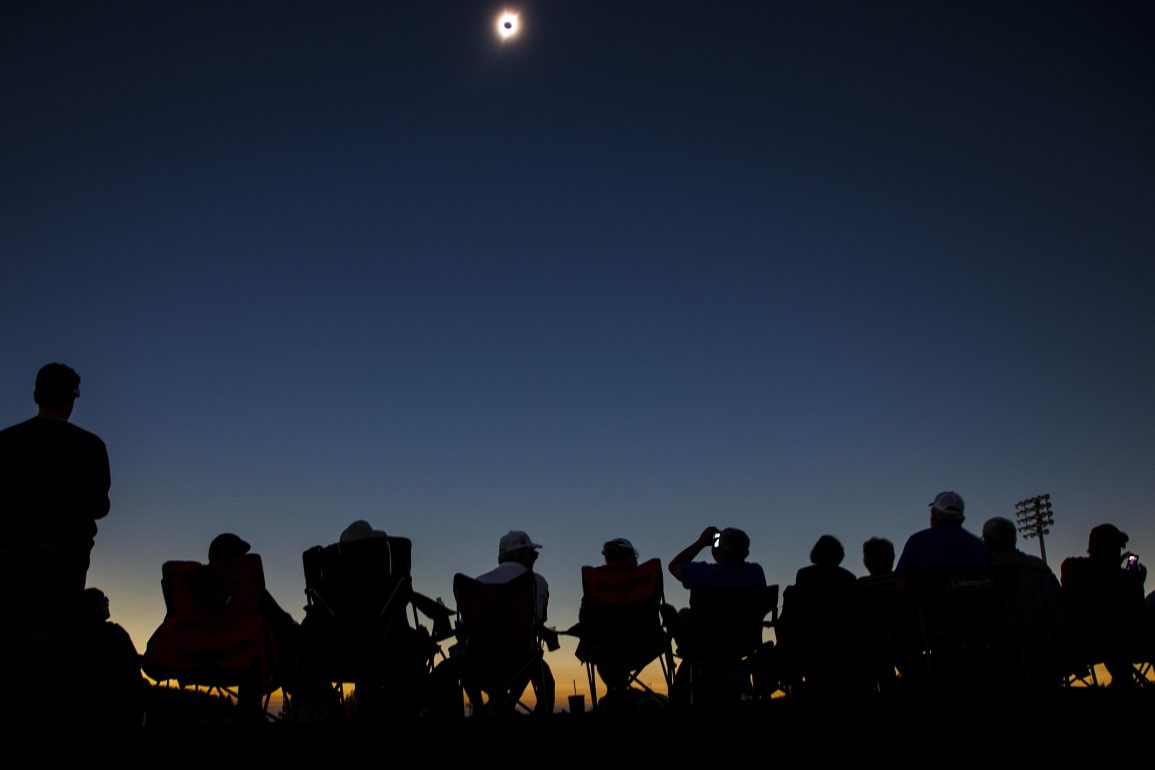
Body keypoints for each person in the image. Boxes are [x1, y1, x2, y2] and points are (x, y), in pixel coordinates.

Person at [0, 363, 111, 705]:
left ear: (36, 395)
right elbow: (99, 506)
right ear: (72, 400)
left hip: (8, 549)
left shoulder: (6, 442)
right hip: (64, 552)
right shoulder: (90, 446)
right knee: (48, 635)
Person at [981, 516, 1075, 686]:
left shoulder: (987, 571)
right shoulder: (1040, 568)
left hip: (1009, 659)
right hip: (1052, 655)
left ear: (987, 541)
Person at [473, 530, 556, 713]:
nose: (535, 559)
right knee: (544, 676)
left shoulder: (478, 583)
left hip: (481, 666)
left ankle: (488, 708)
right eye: (531, 554)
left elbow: (469, 627)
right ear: (518, 555)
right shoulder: (536, 582)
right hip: (521, 663)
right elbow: (537, 620)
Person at [1060, 524, 1148, 687]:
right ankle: (1124, 682)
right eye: (1117, 547)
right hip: (1121, 641)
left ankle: (1122, 681)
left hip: (1085, 644)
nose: (1120, 551)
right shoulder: (1125, 579)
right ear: (1107, 548)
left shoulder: (1073, 568)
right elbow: (1139, 613)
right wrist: (1137, 583)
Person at [777, 535, 857, 692]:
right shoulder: (848, 578)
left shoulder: (805, 575)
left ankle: (794, 680)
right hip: (843, 641)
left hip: (808, 640)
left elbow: (794, 612)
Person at [78, 587, 145, 725]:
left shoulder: (76, 634)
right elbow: (130, 661)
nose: (107, 603)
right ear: (95, 608)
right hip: (120, 708)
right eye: (104, 600)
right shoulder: (114, 633)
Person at [894, 491, 989, 583]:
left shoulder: (918, 541)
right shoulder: (978, 546)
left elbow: (901, 582)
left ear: (934, 514)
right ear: (961, 518)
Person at [669, 526, 766, 590]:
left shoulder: (703, 573)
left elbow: (674, 566)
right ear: (746, 553)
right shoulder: (755, 572)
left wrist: (701, 542)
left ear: (717, 552)